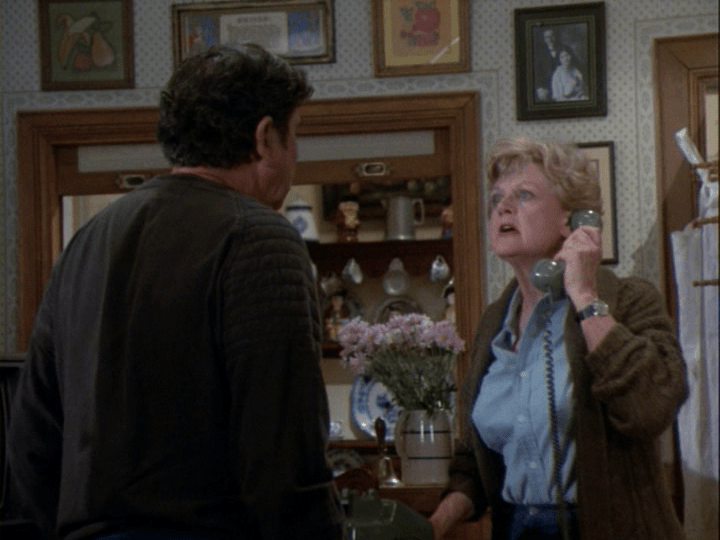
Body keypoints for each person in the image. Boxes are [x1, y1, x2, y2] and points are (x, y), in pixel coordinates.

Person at [8, 44, 346, 540]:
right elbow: (283, 451)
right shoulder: (259, 237)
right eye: (294, 135)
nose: (296, 154)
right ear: (262, 138)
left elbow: (32, 441)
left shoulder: (87, 241)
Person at [429, 137, 687, 540]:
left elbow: (650, 409)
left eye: (524, 195)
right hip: (515, 528)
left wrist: (584, 296)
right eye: (496, 198)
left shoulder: (627, 300)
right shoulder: (495, 322)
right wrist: (435, 524)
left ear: (573, 220)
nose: (503, 207)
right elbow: (477, 457)